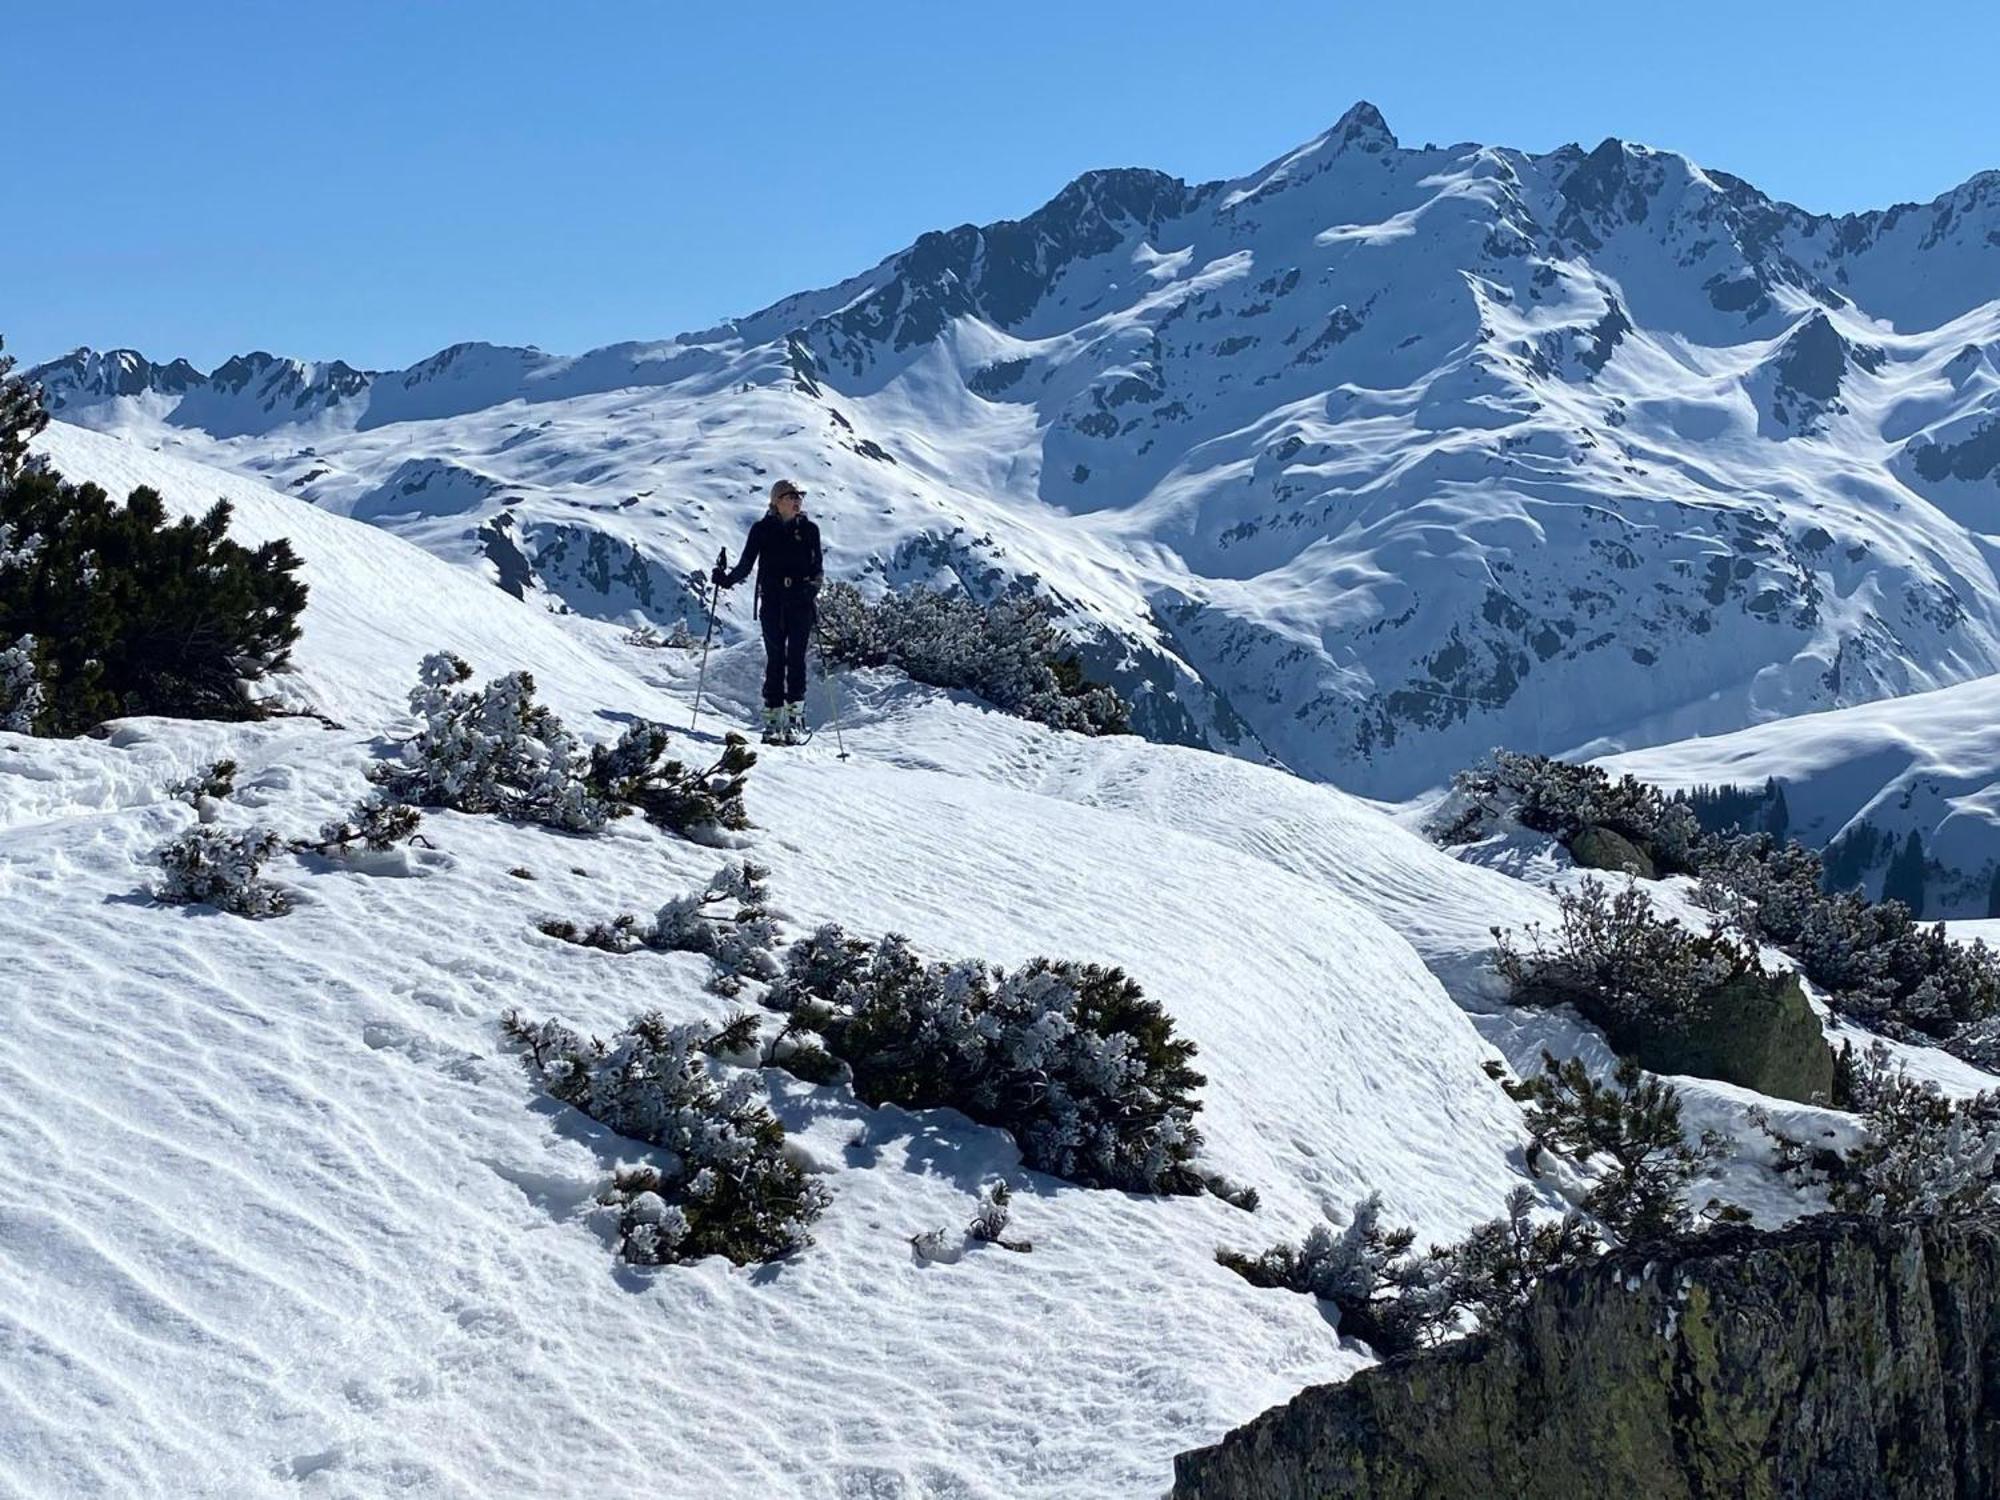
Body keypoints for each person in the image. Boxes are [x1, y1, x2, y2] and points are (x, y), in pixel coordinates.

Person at [713, 479, 823, 744]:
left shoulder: (809, 530)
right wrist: (725, 579)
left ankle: (794, 720)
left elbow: (817, 567)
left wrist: (811, 591)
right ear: (777, 501)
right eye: (791, 496)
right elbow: (746, 565)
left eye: (799, 496)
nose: (797, 501)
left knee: (795, 659)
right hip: (773, 602)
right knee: (776, 660)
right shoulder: (762, 530)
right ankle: (774, 721)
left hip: (799, 602)